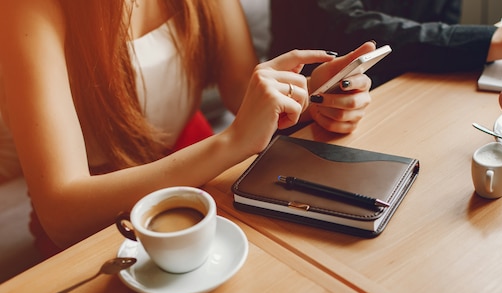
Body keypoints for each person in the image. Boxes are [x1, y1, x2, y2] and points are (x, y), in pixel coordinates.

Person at [0, 1, 376, 256]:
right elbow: (62, 214)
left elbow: (239, 94)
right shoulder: (28, 11)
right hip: (102, 215)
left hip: (200, 173)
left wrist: (314, 97)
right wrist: (231, 142)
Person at [270, 0, 502, 87]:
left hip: (427, 81)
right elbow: (344, 28)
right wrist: (497, 38)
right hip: (319, 114)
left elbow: (440, 14)